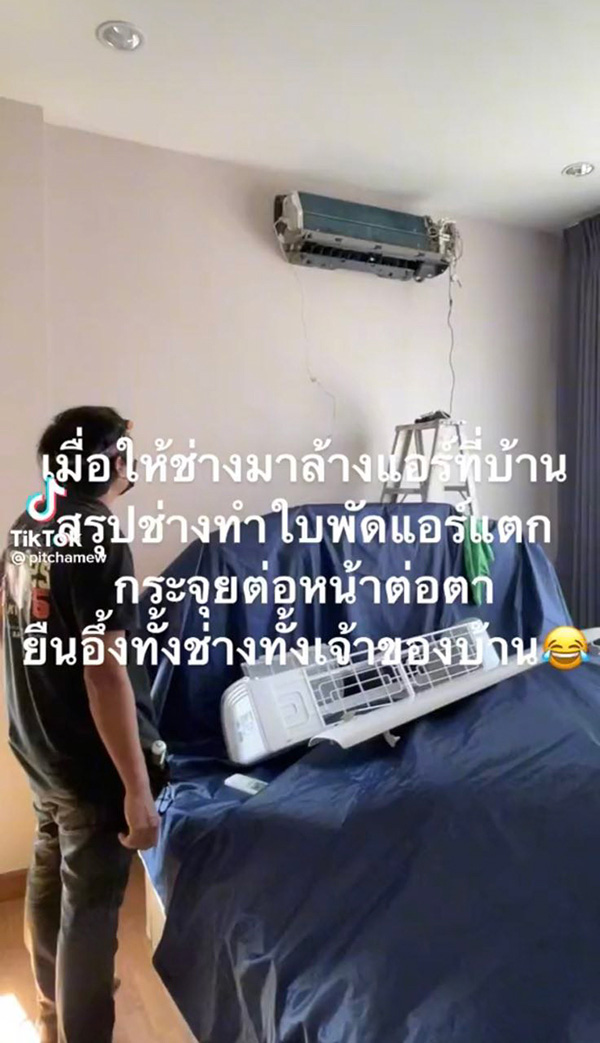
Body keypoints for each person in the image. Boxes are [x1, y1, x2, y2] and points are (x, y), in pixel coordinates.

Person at [0, 406, 167, 1043]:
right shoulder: (96, 536)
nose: (132, 463)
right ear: (106, 462)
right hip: (85, 760)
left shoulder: (31, 520)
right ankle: (83, 1027)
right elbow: (104, 674)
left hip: (37, 742)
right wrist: (136, 789)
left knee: (49, 872)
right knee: (91, 911)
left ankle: (51, 1002)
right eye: (125, 451)